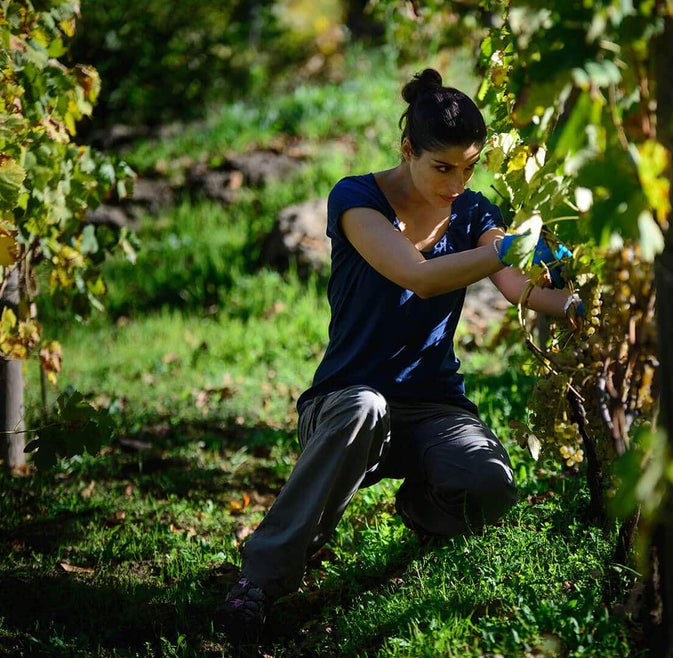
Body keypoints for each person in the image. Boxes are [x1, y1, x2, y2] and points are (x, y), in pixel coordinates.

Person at [213, 68, 583, 644]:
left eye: (469, 167)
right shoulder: (357, 198)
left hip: (434, 405)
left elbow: (517, 288)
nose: (457, 183)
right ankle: (258, 584)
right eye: (443, 167)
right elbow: (419, 275)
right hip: (346, 401)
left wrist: (584, 296)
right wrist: (511, 247)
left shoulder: (472, 210)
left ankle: (419, 505)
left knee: (492, 485)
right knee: (365, 408)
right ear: (408, 149)